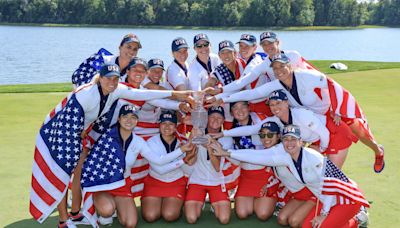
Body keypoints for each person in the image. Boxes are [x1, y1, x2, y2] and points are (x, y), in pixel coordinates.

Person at [35, 63, 191, 228]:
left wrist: (180, 97)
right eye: (108, 78)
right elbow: (70, 116)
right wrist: (78, 136)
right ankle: (64, 220)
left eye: (115, 78)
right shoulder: (87, 93)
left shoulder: (118, 89)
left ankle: (76, 213)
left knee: (80, 172)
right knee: (63, 173)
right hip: (61, 132)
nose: (112, 81)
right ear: (100, 78)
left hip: (91, 134)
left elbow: (148, 94)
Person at [212, 54, 385, 173]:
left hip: (331, 117)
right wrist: (222, 98)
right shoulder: (278, 85)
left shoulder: (307, 76)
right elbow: (252, 94)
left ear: (290, 65)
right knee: (318, 169)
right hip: (316, 123)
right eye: (275, 68)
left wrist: (337, 109)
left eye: (282, 66)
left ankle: (377, 151)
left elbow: (332, 85)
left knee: (357, 130)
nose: (278, 70)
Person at [211, 125, 369, 228]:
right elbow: (255, 156)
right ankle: (346, 222)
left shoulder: (314, 158)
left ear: (301, 141)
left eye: (293, 139)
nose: (289, 143)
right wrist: (226, 153)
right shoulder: (286, 156)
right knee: (307, 226)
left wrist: (323, 215)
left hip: (345, 197)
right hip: (324, 197)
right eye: (286, 139)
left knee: (320, 225)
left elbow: (330, 187)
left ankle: (355, 220)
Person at [81, 105, 196, 228]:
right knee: (107, 209)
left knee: (131, 224)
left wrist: (183, 153)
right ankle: (107, 213)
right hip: (103, 184)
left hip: (122, 185)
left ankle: (118, 208)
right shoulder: (106, 137)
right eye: (125, 117)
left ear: (137, 121)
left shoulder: (138, 142)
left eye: (133, 117)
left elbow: (159, 161)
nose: (129, 120)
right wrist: (182, 156)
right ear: (119, 119)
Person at [205, 32, 309, 111]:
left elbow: (308, 75)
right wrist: (219, 92)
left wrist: (219, 94)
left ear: (278, 42)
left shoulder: (293, 55)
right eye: (264, 44)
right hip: (283, 99)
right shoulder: (263, 64)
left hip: (304, 95)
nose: (268, 47)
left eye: (270, 43)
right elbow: (243, 83)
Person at [141, 111, 197, 222]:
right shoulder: (151, 142)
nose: (167, 127)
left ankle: (178, 205)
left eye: (171, 124)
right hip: (154, 182)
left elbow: (189, 170)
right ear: (159, 125)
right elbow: (160, 169)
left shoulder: (184, 142)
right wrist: (182, 159)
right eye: (163, 123)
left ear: (176, 126)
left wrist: (189, 157)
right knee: (150, 216)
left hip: (176, 182)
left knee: (169, 215)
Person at [184, 106, 235, 225]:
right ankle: (200, 203)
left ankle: (214, 204)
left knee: (224, 219)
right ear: (206, 119)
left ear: (223, 121)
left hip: (217, 182)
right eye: (212, 117)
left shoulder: (226, 139)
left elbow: (217, 167)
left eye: (219, 117)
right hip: (197, 180)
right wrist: (194, 136)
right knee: (191, 218)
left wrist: (209, 146)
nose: (216, 120)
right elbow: (190, 158)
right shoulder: (198, 132)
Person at [204, 40, 246, 127]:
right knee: (228, 124)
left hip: (247, 101)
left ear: (235, 53)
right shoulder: (219, 70)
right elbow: (211, 81)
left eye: (229, 52)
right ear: (219, 55)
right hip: (229, 103)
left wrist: (217, 96)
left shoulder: (244, 64)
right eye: (223, 53)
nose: (226, 55)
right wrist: (208, 90)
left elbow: (243, 88)